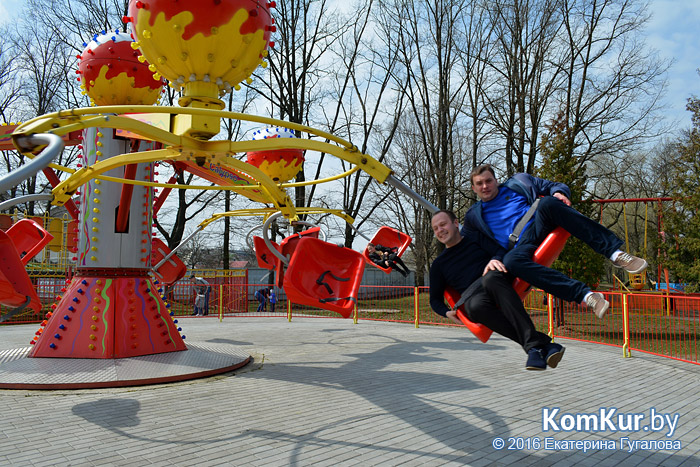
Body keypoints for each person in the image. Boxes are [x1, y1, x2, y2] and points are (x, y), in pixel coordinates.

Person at [463, 164, 648, 319]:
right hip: (518, 245)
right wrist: (490, 259)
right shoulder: (473, 216)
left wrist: (559, 192)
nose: (485, 186)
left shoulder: (519, 182)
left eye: (488, 181)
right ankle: (587, 296)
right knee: (511, 261)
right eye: (479, 184)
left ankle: (616, 254)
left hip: (537, 222)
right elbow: (470, 247)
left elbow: (553, 185)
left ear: (496, 180)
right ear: (473, 188)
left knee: (548, 202)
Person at [429, 210, 564, 371]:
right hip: (476, 294)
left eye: (443, 224)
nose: (440, 230)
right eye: (435, 228)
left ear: (456, 223)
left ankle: (535, 347)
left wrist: (494, 259)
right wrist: (446, 312)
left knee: (490, 279)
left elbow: (499, 251)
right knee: (474, 308)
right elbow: (435, 299)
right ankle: (541, 346)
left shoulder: (475, 238)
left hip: (496, 277)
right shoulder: (439, 265)